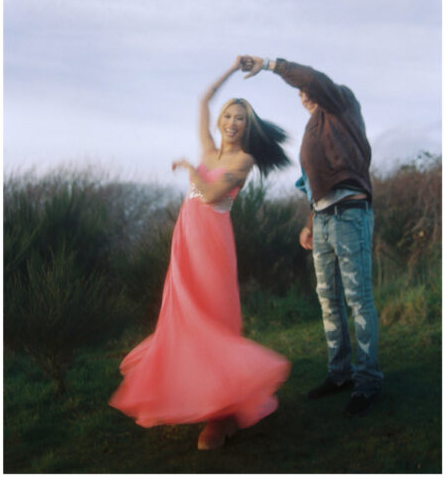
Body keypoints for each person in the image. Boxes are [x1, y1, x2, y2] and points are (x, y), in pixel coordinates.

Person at [110, 60, 292, 449]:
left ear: (247, 127)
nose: (231, 122)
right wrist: (232, 68)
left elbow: (209, 195)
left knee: (212, 318)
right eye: (228, 115)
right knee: (185, 317)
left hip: (213, 245)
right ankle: (206, 403)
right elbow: (204, 99)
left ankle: (221, 416)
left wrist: (191, 169)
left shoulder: (243, 160)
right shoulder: (210, 148)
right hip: (186, 241)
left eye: (240, 118)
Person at [238, 54, 383, 416]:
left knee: (358, 299)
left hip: (350, 216)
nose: (303, 96)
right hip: (323, 219)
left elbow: (313, 80)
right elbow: (314, 182)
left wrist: (269, 65)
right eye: (300, 94)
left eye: (306, 91)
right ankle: (340, 373)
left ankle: (368, 381)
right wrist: (310, 222)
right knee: (328, 299)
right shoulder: (313, 128)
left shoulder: (341, 103)